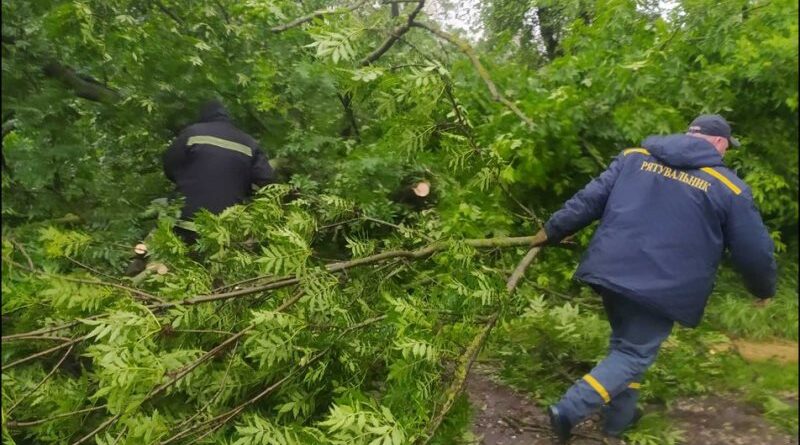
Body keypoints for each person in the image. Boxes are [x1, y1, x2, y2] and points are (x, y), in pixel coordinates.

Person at [528, 114, 777, 443]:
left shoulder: (635, 158)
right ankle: (569, 410)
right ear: (720, 143)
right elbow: (753, 251)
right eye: (727, 147)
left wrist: (552, 231)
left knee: (627, 348)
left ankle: (619, 421)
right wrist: (763, 289)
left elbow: (588, 200)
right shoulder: (729, 188)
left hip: (611, 272)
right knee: (633, 353)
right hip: (662, 287)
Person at [163, 99, 275, 245]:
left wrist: (186, 180)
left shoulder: (192, 133)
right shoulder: (248, 143)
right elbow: (267, 181)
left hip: (187, 222)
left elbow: (169, 165)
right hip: (227, 226)